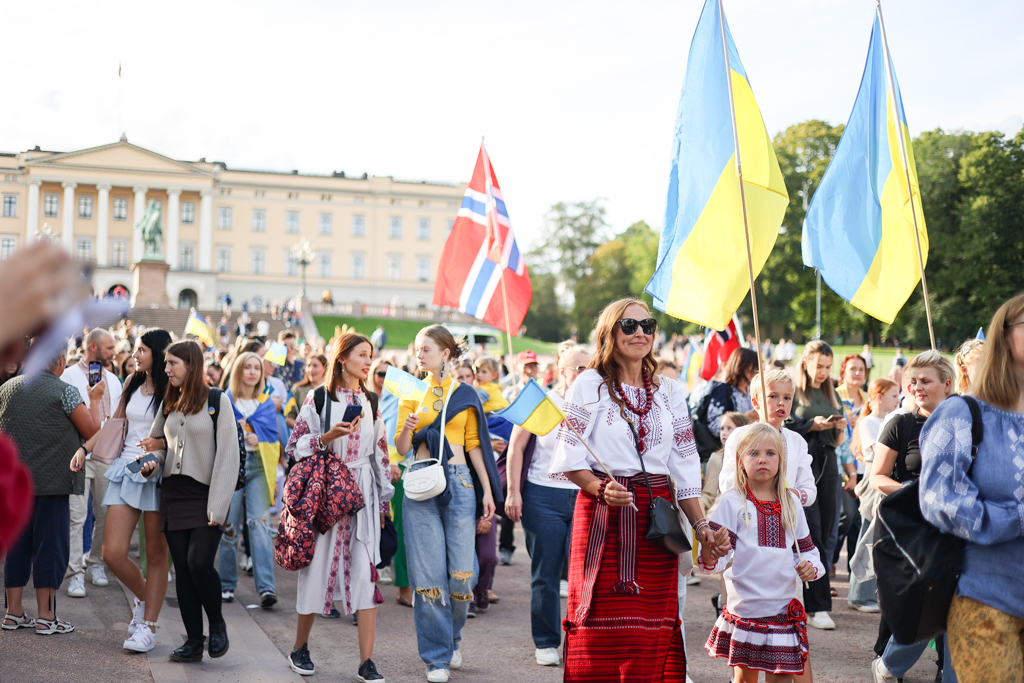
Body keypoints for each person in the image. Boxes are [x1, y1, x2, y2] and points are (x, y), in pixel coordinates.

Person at [550, 298, 728, 682]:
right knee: (597, 621)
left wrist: (701, 527)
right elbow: (570, 456)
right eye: (628, 326)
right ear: (609, 333)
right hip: (603, 509)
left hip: (656, 515)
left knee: (651, 625)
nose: (640, 333)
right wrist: (600, 488)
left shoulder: (669, 391)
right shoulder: (589, 384)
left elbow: (683, 464)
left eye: (647, 325)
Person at [920, 293, 1024, 682]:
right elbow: (938, 499)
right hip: (985, 599)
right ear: (1003, 337)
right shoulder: (962, 413)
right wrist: (1015, 518)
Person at [395, 325, 503, 683]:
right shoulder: (410, 390)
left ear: (445, 353)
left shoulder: (466, 392)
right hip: (422, 483)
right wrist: (408, 428)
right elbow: (400, 446)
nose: (419, 354)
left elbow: (475, 445)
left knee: (463, 575)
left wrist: (488, 491)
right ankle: (436, 657)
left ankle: (452, 637)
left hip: (460, 481)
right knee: (427, 577)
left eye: (426, 348)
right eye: (416, 348)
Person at [285, 333, 394, 681]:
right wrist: (327, 437)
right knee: (315, 571)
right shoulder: (318, 398)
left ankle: (366, 662)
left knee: (364, 573)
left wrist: (383, 499)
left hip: (363, 495)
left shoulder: (372, 400)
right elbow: (295, 446)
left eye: (370, 355)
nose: (368, 361)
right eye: (362, 354)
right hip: (325, 493)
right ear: (342, 358)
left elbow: (379, 452)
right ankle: (299, 647)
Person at [71, 329, 172, 653]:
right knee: (113, 553)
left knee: (155, 555)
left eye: (142, 350)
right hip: (126, 470)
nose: (134, 355)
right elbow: (113, 425)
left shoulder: (173, 389)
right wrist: (85, 449)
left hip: (158, 472)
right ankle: (145, 599)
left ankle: (149, 626)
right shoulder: (131, 383)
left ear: (156, 354)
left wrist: (158, 449)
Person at [700, 423, 824, 683]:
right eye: (753, 453)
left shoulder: (791, 503)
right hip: (747, 609)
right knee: (745, 679)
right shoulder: (732, 501)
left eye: (770, 453)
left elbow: (808, 552)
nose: (762, 460)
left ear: (782, 460)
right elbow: (712, 559)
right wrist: (712, 552)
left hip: (783, 605)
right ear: (740, 461)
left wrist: (810, 567)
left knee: (781, 678)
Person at [141, 340, 240, 663]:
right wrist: (152, 461)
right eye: (166, 364)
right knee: (183, 570)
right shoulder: (169, 400)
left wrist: (219, 506)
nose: (166, 369)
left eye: (172, 364)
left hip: (206, 496)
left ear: (191, 365)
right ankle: (194, 641)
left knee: (199, 563)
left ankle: (218, 625)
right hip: (173, 493)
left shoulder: (217, 400)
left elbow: (228, 457)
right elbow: (159, 445)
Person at [869, 350, 957, 683]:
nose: (917, 387)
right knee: (923, 603)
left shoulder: (967, 424)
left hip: (954, 528)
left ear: (947, 384)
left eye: (926, 381)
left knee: (954, 606)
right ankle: (889, 664)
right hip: (908, 530)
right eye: (913, 381)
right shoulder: (901, 422)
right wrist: (916, 493)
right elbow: (877, 476)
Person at [1, 348, 102, 635]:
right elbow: (92, 430)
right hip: (54, 482)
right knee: (51, 546)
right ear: (61, 361)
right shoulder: (65, 391)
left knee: (17, 545)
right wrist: (94, 399)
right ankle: (46, 616)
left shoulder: (7, 387)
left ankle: (13, 612)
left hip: (15, 483)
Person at [504, 342, 592, 667]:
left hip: (585, 494)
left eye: (589, 367)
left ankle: (581, 638)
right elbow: (516, 448)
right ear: (562, 370)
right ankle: (546, 641)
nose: (584, 374)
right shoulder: (542, 399)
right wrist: (514, 492)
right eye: (578, 368)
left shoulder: (599, 403)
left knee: (582, 572)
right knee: (546, 572)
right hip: (543, 495)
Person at [786, 341, 844, 631]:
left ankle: (816, 599)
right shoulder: (794, 389)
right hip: (802, 462)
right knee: (813, 533)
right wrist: (811, 425)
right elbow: (784, 421)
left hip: (829, 461)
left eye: (828, 367)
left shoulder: (831, 390)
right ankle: (818, 605)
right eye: (819, 365)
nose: (823, 372)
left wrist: (839, 428)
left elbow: (838, 442)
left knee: (829, 530)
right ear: (805, 361)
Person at [62, 328, 123, 598]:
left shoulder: (114, 379)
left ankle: (96, 563)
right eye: (109, 348)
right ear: (93, 348)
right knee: (76, 516)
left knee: (106, 514)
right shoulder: (69, 375)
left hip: (108, 457)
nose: (113, 352)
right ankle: (75, 573)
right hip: (79, 454)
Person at [218, 352, 278, 608]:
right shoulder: (225, 400)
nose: (253, 372)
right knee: (228, 527)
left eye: (257, 368)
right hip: (231, 466)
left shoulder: (266, 404)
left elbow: (274, 440)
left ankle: (266, 588)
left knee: (259, 526)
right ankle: (226, 584)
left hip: (258, 468)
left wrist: (260, 440)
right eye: (248, 367)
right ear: (239, 371)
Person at [846, 378, 899, 614]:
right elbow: (879, 452)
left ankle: (866, 592)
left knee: (873, 536)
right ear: (879, 397)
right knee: (867, 536)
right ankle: (858, 595)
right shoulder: (869, 422)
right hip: (873, 480)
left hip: (883, 477)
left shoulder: (889, 420)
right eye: (894, 396)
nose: (898, 401)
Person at [834, 354, 869, 576]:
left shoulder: (869, 398)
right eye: (853, 369)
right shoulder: (835, 397)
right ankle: (830, 560)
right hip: (842, 466)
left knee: (858, 519)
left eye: (861, 369)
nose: (857, 373)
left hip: (864, 465)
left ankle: (854, 571)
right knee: (846, 517)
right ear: (843, 372)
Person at [688, 346, 759, 447]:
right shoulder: (722, 389)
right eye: (753, 368)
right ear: (741, 367)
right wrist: (743, 418)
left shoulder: (750, 390)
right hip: (725, 450)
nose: (756, 372)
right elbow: (715, 425)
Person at [701, 412, 751, 512]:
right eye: (722, 428)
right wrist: (692, 508)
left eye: (729, 428)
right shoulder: (716, 458)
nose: (723, 433)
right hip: (730, 513)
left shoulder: (753, 457)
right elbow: (709, 495)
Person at [289, 354, 327, 427]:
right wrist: (302, 429)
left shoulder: (330, 391)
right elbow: (289, 417)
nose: (311, 369)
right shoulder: (298, 389)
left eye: (315, 366)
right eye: (308, 366)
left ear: (324, 369)